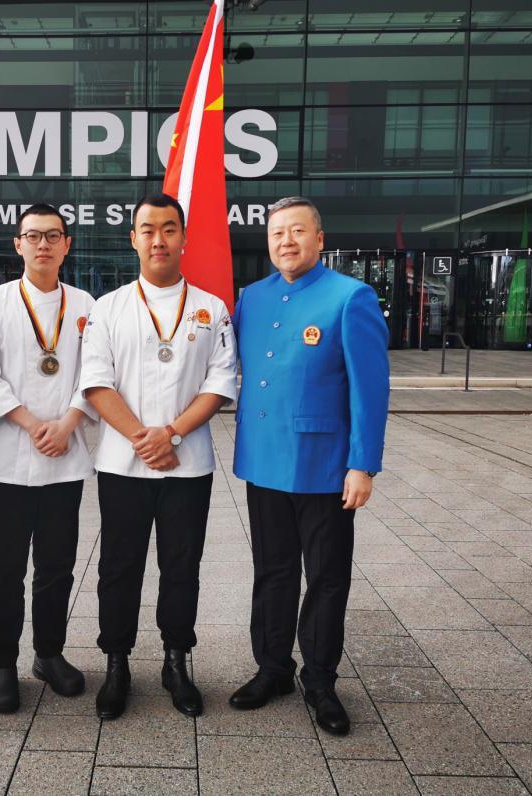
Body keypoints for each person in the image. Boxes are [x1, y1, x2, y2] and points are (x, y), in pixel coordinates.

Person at [229, 196, 389, 736]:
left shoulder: (350, 297)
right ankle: (272, 668)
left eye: (298, 231)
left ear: (319, 239)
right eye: (277, 233)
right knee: (272, 571)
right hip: (265, 461)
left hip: (324, 466)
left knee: (326, 577)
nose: (286, 242)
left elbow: (370, 390)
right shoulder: (251, 298)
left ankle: (320, 680)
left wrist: (362, 464)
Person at [79, 193, 237, 719]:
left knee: (182, 566)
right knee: (118, 567)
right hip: (122, 465)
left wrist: (170, 434)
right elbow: (95, 383)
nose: (159, 240)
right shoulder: (108, 308)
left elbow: (220, 383)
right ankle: (116, 663)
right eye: (148, 229)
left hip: (187, 464)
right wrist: (142, 438)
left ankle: (176, 661)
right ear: (134, 239)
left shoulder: (211, 309)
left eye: (169, 229)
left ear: (184, 238)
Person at [0, 204, 95, 713]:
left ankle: (49, 653)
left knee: (57, 567)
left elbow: (95, 373)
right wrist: (32, 424)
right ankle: (3, 663)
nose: (43, 244)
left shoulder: (85, 304)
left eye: (53, 236)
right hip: (7, 462)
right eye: (33, 236)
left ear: (67, 245)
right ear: (18, 244)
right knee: (4, 570)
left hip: (64, 458)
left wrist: (68, 422)